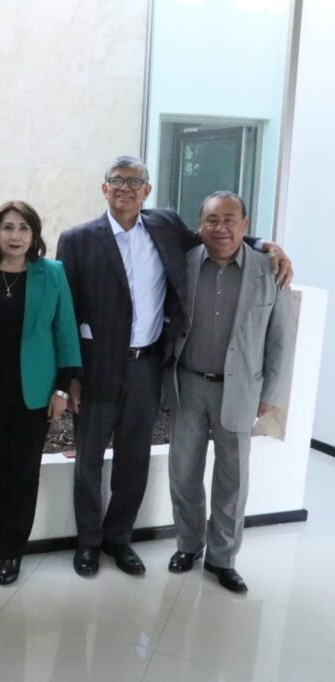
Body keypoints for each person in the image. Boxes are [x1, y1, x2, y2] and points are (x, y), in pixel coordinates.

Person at [57, 155, 292, 579]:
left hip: (147, 367)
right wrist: (69, 376)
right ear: (104, 188)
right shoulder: (76, 240)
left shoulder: (164, 226)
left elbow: (217, 235)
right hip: (95, 370)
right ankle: (88, 543)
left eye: (135, 182)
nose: (126, 188)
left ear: (147, 191)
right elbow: (66, 311)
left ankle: (118, 540)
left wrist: (264, 245)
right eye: (117, 180)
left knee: (134, 461)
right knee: (89, 461)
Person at [165, 191, 292, 593]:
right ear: (200, 225)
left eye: (229, 219)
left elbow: (280, 338)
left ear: (245, 224)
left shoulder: (270, 270)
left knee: (232, 480)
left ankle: (223, 558)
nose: (221, 228)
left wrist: (270, 392)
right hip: (187, 384)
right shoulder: (185, 263)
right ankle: (188, 545)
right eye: (212, 220)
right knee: (183, 473)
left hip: (240, 389)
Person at [0, 200, 82, 586]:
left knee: (24, 472)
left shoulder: (52, 273)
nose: (15, 236)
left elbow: (66, 332)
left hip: (36, 392)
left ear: (34, 235)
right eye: (8, 227)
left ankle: (13, 550)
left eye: (23, 228)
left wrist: (63, 388)